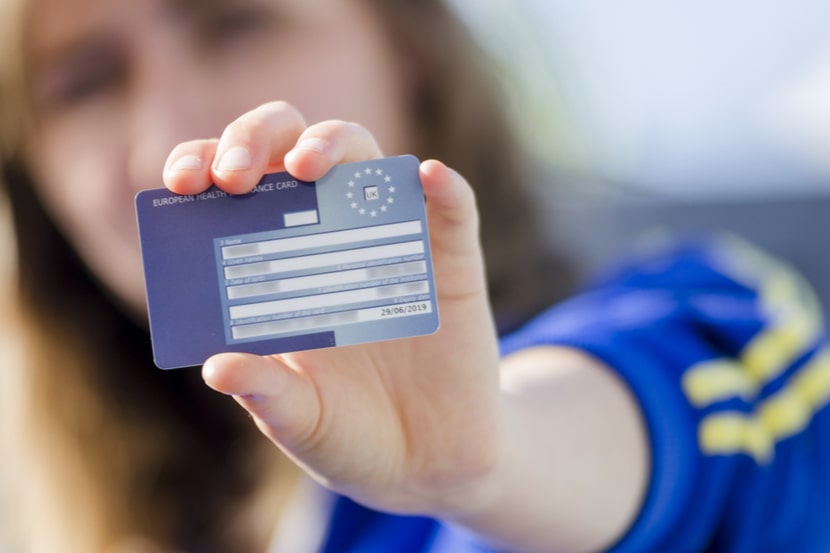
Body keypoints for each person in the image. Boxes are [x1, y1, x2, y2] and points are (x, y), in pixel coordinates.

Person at [0, 1, 827, 553]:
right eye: (85, 83)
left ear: (409, 48)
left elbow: (654, 422)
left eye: (233, 22)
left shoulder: (708, 317)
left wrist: (495, 458)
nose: (168, 134)